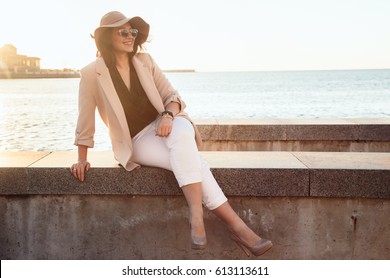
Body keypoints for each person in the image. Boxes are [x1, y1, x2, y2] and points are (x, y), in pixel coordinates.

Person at [70, 11, 272, 256]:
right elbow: (85, 116)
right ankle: (237, 228)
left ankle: (197, 218)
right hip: (136, 141)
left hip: (165, 127)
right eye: (122, 32)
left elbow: (173, 97)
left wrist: (166, 116)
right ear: (106, 37)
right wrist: (82, 157)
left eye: (132, 32)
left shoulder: (145, 61)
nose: (129, 37)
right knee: (194, 161)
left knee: (182, 129)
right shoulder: (92, 72)